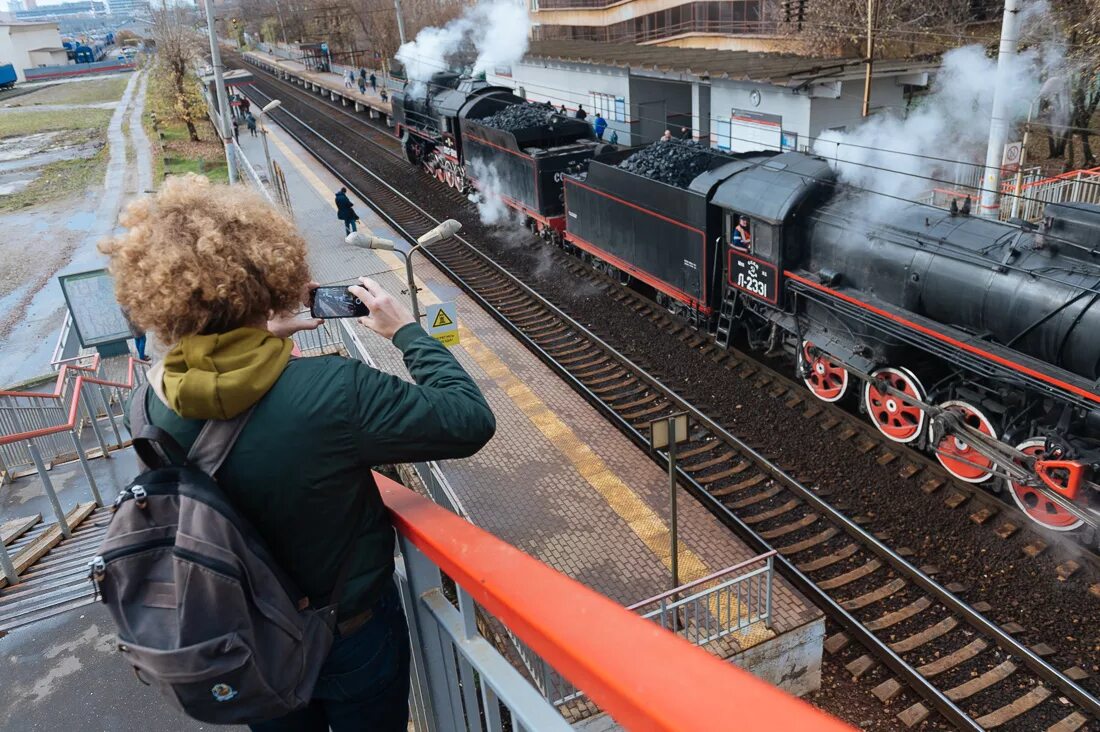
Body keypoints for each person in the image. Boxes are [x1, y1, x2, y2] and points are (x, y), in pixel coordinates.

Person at [98, 174, 495, 732]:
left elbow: (218, 389)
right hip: (351, 634)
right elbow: (469, 421)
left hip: (248, 639)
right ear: (271, 277)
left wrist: (267, 335)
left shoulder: (148, 402)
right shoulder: (336, 387)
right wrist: (408, 333)